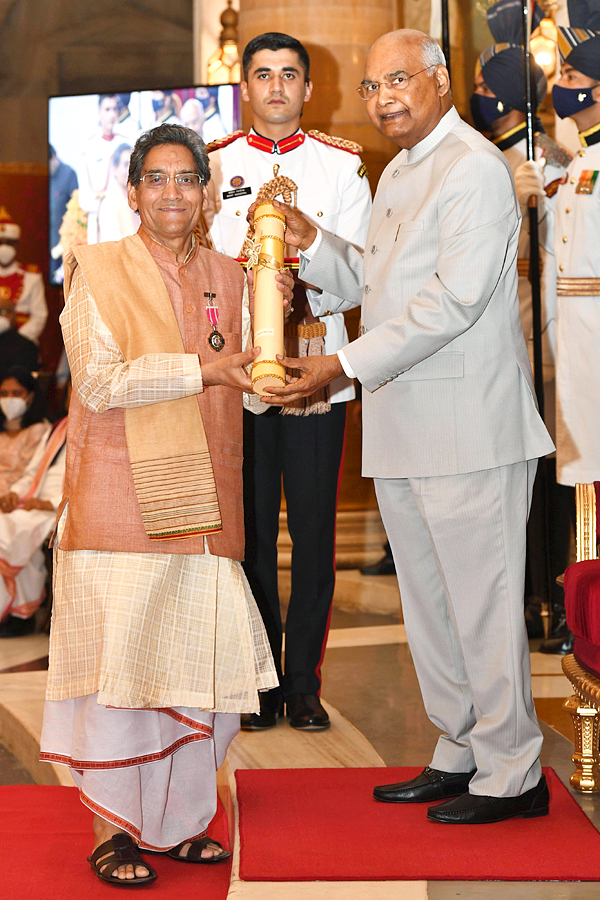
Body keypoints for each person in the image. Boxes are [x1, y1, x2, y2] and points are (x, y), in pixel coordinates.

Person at [263, 29, 554, 824]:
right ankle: (459, 749)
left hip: (468, 429)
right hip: (402, 427)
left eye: (399, 80)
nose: (384, 97)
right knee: (430, 607)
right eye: (370, 86)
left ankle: (512, 771)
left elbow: (453, 301)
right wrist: (312, 243)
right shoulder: (398, 174)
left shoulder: (474, 172)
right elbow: (373, 280)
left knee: (482, 604)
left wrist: (342, 364)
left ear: (440, 81)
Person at [39, 123, 292, 885]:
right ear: (133, 191)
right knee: (123, 678)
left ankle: (181, 824)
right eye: (158, 179)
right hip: (121, 504)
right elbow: (101, 383)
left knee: (198, 675)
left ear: (208, 192)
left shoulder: (233, 272)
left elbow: (252, 397)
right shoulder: (99, 268)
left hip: (208, 508)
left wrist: (276, 344)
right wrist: (210, 373)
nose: (173, 193)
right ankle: (112, 830)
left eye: (188, 179)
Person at [208, 32, 372, 731]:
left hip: (314, 368)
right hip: (239, 371)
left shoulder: (342, 167)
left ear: (309, 89)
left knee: (312, 531)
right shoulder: (211, 165)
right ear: (245, 85)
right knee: (245, 533)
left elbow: (366, 272)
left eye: (289, 76)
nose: (276, 86)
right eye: (263, 74)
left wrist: (309, 250)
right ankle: (259, 677)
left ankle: (303, 679)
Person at [471, 0, 573, 645]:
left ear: (508, 98)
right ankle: (528, 592)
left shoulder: (543, 164)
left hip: (538, 339)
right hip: (502, 339)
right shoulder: (490, 160)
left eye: (485, 87)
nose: (480, 96)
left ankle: (555, 595)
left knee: (546, 483)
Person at [514, 11, 600, 654]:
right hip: (567, 337)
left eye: (572, 75)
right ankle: (581, 611)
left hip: (595, 334)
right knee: (578, 475)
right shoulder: (574, 163)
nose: (560, 85)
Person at [0, 410, 67, 637]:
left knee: (17, 532)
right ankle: (15, 611)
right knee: (7, 527)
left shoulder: (102, 429)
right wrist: (14, 493)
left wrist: (50, 504)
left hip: (62, 508)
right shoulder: (56, 429)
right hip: (33, 503)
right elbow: (31, 474)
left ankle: (22, 616)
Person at [77, 94, 127, 244]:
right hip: (99, 218)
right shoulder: (88, 146)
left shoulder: (126, 142)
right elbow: (84, 197)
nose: (111, 114)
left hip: (125, 215)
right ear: (99, 113)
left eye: (114, 109)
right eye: (107, 109)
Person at [0, 207, 48, 351]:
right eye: (0, 242)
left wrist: (15, 340)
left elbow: (39, 316)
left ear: (17, 245)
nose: (4, 247)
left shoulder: (31, 275)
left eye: (9, 242)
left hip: (21, 345)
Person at [0, 366, 50, 496]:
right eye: (4, 394)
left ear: (30, 396)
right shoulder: (3, 428)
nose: (9, 399)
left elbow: (25, 473)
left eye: (16, 393)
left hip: (15, 495)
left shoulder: (38, 430)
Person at [97, 143, 139, 242]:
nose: (130, 170)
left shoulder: (138, 198)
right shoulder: (109, 203)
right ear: (115, 169)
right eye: (125, 165)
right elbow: (114, 245)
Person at [49, 145, 78, 283]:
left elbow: (75, 212)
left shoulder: (69, 174)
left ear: (54, 157)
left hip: (62, 245)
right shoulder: (45, 176)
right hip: (47, 241)